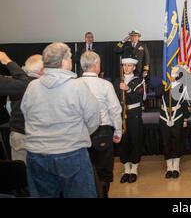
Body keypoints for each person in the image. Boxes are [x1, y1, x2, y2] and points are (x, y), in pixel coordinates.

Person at [21, 42, 100, 198]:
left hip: (37, 156)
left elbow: (26, 115)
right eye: (70, 57)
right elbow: (94, 119)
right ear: (64, 61)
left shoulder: (32, 87)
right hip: (71, 154)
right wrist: (79, 134)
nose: (71, 60)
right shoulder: (78, 87)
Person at [79, 51, 122, 197]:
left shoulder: (73, 84)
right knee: (103, 172)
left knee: (84, 171)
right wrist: (118, 132)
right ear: (96, 65)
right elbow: (115, 109)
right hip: (102, 132)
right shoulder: (105, 85)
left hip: (79, 133)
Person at [114, 55, 144, 184]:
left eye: (129, 66)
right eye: (124, 65)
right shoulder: (117, 81)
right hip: (120, 114)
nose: (126, 68)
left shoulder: (139, 81)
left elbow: (140, 97)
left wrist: (128, 89)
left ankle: (134, 169)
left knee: (135, 139)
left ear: (134, 67)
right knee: (123, 141)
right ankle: (126, 169)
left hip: (134, 114)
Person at [9, 55, 44, 163]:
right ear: (42, 70)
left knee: (20, 174)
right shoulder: (43, 86)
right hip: (38, 137)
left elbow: (9, 108)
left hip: (17, 134)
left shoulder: (15, 84)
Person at [160, 66, 191, 179]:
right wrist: (167, 84)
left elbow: (187, 104)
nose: (173, 75)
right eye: (171, 73)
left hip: (177, 116)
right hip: (164, 116)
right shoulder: (163, 85)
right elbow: (158, 93)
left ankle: (176, 167)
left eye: (175, 73)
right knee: (166, 141)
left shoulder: (182, 87)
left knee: (177, 140)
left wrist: (186, 118)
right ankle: (169, 167)